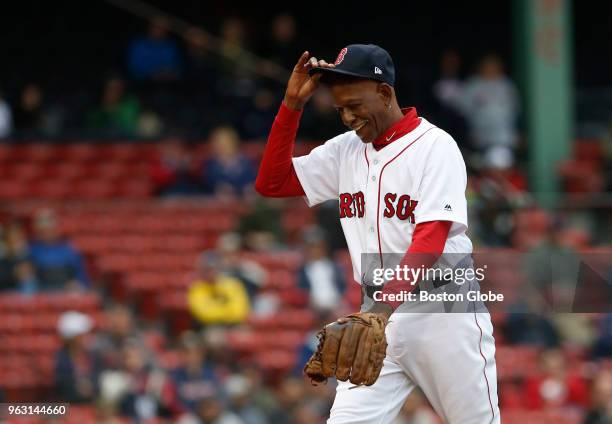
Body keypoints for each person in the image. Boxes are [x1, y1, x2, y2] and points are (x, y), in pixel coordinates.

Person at [255, 45, 499, 423]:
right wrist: (291, 107)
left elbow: (430, 239)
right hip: (376, 315)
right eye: (340, 110)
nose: (348, 117)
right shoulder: (344, 152)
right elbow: (272, 182)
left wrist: (381, 312)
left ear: (385, 93)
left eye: (354, 105)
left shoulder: (435, 147)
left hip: (443, 310)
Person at [28, 208, 91, 290]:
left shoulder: (69, 250)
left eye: (49, 228)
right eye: (43, 230)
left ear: (56, 228)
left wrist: (77, 284)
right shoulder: (31, 250)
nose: (47, 232)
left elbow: (82, 278)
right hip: (41, 291)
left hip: (67, 292)